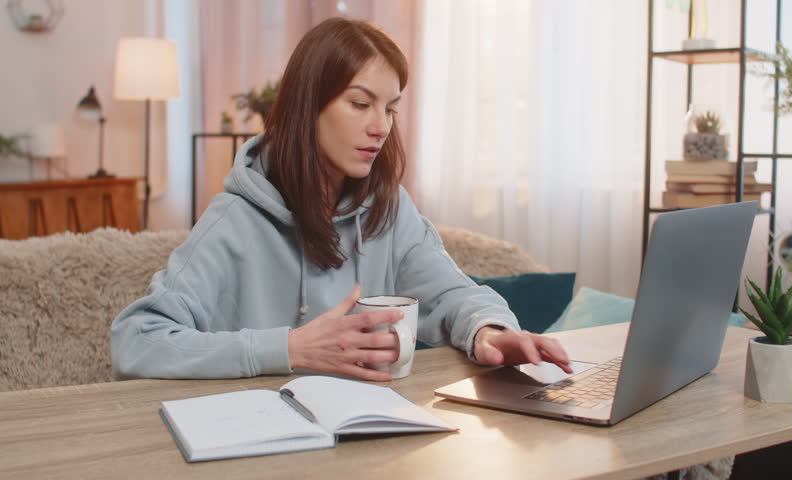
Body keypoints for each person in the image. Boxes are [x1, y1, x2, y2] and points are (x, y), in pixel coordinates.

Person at [111, 17, 572, 382]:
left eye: (390, 108)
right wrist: (289, 349)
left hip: (368, 431)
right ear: (308, 106)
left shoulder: (389, 209)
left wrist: (490, 331)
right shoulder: (235, 219)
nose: (381, 126)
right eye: (359, 103)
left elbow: (452, 292)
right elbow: (137, 342)